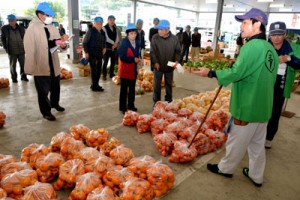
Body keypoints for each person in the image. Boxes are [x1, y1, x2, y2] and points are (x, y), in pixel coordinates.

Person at [197, 8, 278, 187]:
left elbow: (237, 72)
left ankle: (225, 168)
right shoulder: (270, 48)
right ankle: (257, 175)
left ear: (258, 25)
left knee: (236, 141)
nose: (241, 26)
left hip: (247, 106)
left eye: (245, 22)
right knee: (257, 145)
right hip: (263, 106)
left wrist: (211, 72)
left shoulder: (251, 47)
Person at [24, 2, 68, 121]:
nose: (50, 17)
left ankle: (55, 103)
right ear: (39, 14)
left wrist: (62, 44)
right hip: (41, 63)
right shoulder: (32, 28)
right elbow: (29, 48)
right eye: (48, 15)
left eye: (50, 15)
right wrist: (30, 66)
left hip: (53, 61)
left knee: (55, 86)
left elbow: (54, 42)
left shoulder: (52, 27)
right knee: (43, 90)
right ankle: (46, 112)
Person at [265, 22, 300, 148]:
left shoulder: (292, 48)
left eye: (279, 34)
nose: (276, 37)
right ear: (270, 35)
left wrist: (289, 59)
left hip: (280, 86)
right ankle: (256, 137)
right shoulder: (264, 46)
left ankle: (268, 138)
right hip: (263, 85)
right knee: (260, 110)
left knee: (274, 113)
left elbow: (299, 63)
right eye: (273, 34)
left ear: (284, 34)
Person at [151, 19, 181, 106]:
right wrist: (155, 62)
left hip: (169, 66)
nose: (159, 31)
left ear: (167, 29)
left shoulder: (174, 39)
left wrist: (176, 61)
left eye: (161, 29)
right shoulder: (155, 38)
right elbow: (153, 51)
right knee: (157, 86)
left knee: (169, 85)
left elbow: (178, 51)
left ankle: (168, 101)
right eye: (158, 29)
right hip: (158, 66)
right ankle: (156, 103)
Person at [118, 23, 141, 114]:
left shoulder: (137, 43)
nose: (133, 35)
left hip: (133, 70)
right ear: (127, 34)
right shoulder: (123, 43)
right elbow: (122, 57)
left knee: (132, 89)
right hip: (125, 70)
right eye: (131, 33)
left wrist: (139, 59)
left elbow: (137, 54)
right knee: (124, 90)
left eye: (135, 33)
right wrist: (133, 59)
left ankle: (131, 105)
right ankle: (123, 108)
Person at [1, 14, 28, 82]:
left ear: (15, 20)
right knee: (13, 66)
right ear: (8, 21)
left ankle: (23, 76)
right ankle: (14, 78)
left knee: (23, 65)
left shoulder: (21, 28)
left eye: (13, 20)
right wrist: (5, 48)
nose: (11, 22)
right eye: (10, 21)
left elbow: (25, 38)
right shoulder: (5, 28)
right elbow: (3, 39)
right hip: (12, 51)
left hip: (21, 50)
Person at [83, 17, 106, 92]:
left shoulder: (102, 32)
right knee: (94, 70)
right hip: (92, 54)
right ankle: (94, 86)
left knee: (99, 70)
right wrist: (86, 52)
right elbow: (85, 43)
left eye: (101, 24)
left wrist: (104, 47)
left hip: (99, 54)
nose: (99, 25)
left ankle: (95, 84)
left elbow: (104, 41)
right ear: (94, 24)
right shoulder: (91, 31)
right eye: (98, 24)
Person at [102, 15, 119, 80]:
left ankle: (111, 74)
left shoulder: (115, 28)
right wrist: (113, 43)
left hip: (114, 48)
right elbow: (106, 38)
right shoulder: (104, 28)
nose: (112, 21)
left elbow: (117, 37)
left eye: (113, 20)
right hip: (107, 48)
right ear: (108, 20)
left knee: (113, 62)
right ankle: (104, 74)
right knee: (105, 62)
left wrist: (116, 43)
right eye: (110, 20)